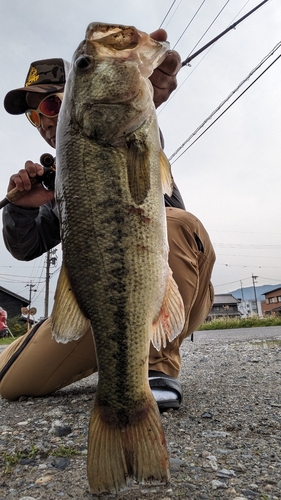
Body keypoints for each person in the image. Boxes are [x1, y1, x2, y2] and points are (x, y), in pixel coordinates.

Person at [0, 29, 215, 410]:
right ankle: (98, 357)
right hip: (105, 309)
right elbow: (25, 248)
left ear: (75, 99)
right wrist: (24, 208)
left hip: (174, 292)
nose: (44, 121)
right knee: (8, 381)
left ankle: (154, 370)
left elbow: (132, 132)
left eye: (50, 106)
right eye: (35, 116)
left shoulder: (129, 133)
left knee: (176, 222)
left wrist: (139, 94)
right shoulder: (60, 183)